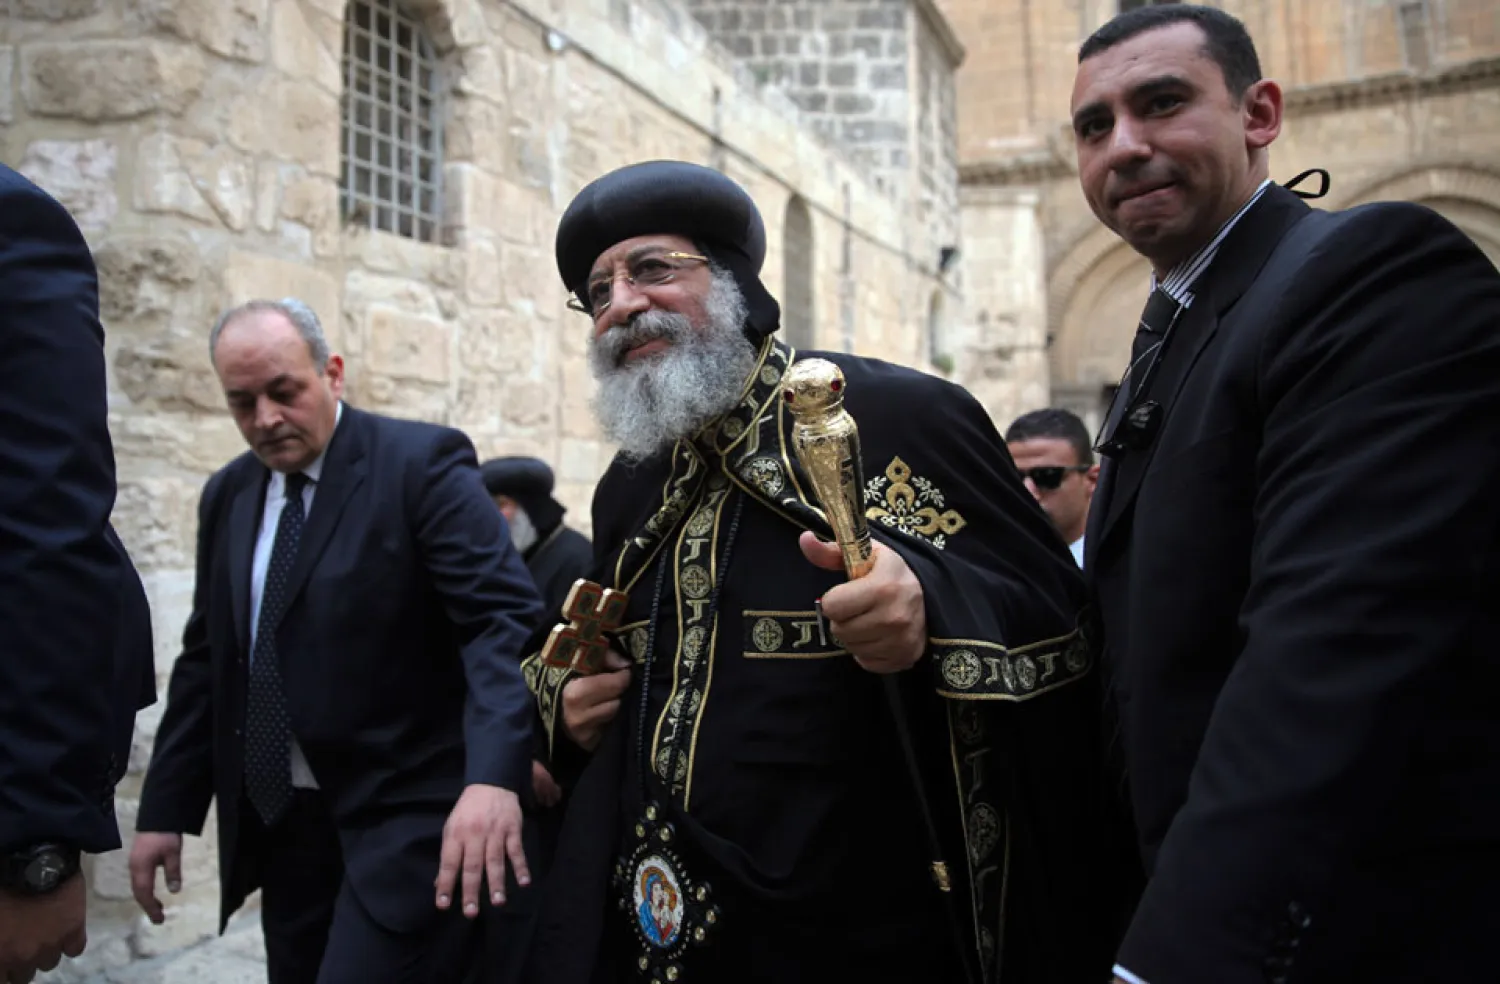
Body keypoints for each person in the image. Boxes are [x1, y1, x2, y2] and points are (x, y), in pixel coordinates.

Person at [520, 160, 1125, 984]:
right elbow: (608, 660)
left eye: (653, 268)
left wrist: (930, 603)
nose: (621, 304)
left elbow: (1063, 626)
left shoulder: (897, 416)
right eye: (597, 293)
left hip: (858, 931)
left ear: (731, 278)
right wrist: (572, 707)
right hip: (661, 932)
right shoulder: (632, 482)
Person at [1071, 6, 1500, 983]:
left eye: (1162, 104)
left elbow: (1340, 641)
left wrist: (1178, 953)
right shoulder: (1176, 322)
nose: (1124, 147)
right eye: (1094, 127)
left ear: (1260, 112)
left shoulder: (1369, 271)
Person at [127, 299, 544, 984]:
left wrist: (493, 777)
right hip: (283, 826)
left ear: (334, 374)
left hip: (405, 815)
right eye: (242, 403)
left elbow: (498, 621)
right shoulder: (228, 495)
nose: (265, 419)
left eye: (284, 392)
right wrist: (165, 811)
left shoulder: (421, 465)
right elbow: (209, 659)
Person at [0, 164, 156, 984]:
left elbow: (43, 531)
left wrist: (36, 849)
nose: (261, 419)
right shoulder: (234, 494)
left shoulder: (10, 223)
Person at [476, 456, 592, 984]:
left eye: (497, 508)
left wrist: (542, 756)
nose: (490, 522)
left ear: (521, 509)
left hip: (559, 775)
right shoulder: (520, 560)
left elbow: (571, 675)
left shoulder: (574, 562)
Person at [480, 456, 594, 616]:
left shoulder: (579, 559)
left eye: (501, 505)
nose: (492, 516)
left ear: (529, 506)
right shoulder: (507, 555)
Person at [1004, 408, 1098, 565]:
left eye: (1047, 476)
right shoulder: (994, 567)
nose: (1028, 491)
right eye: (1015, 478)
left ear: (1092, 480)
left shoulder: (1129, 568)